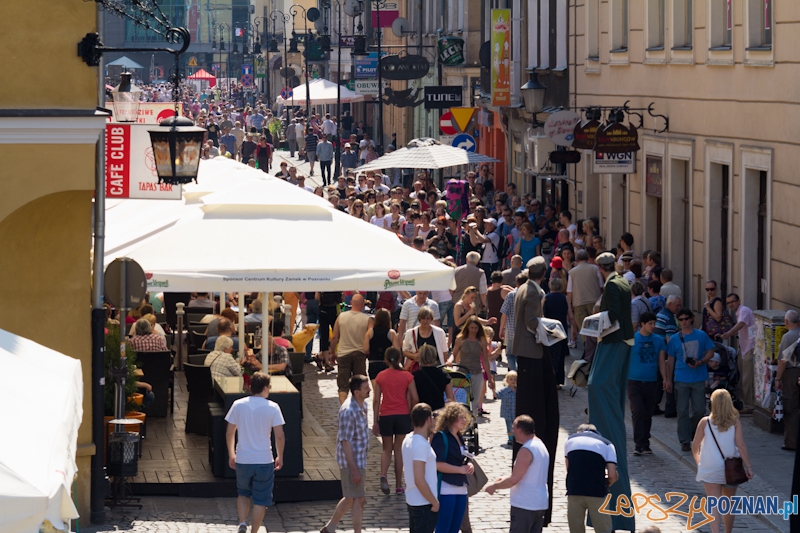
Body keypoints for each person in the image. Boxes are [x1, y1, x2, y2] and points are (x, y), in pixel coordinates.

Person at [587, 251, 634, 532]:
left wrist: (595, 322)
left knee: (597, 384)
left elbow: (613, 315)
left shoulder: (614, 285)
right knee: (598, 386)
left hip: (614, 340)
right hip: (621, 340)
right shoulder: (621, 280)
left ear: (598, 268)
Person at [511, 257, 559, 526]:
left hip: (528, 353)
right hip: (531, 351)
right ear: (546, 273)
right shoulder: (531, 291)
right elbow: (531, 320)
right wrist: (546, 331)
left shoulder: (525, 287)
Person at [225, 372, 285, 533]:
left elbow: (230, 432)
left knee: (243, 493)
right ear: (265, 388)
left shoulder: (238, 404)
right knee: (261, 499)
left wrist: (232, 453)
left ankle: (243, 523)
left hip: (243, 458)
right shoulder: (273, 407)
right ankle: (254, 531)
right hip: (264, 459)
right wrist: (280, 456)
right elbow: (279, 436)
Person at [692, 389, 754, 533]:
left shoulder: (705, 422)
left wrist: (699, 462)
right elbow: (741, 445)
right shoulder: (735, 423)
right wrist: (749, 467)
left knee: (713, 504)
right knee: (728, 504)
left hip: (710, 466)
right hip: (731, 468)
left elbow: (695, 446)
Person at [322, 375, 371, 533]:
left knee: (351, 497)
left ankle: (330, 527)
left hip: (359, 459)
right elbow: (345, 441)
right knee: (359, 498)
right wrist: (354, 468)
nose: (370, 389)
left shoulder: (363, 406)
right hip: (352, 461)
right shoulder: (348, 411)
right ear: (357, 392)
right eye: (366, 388)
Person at [485, 415, 550, 533]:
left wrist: (494, 486)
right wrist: (503, 478)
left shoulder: (526, 450)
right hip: (538, 503)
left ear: (520, 430)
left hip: (525, 505)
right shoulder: (540, 445)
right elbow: (529, 474)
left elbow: (514, 480)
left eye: (513, 429)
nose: (512, 432)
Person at [667, 307, 716, 451]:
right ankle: (685, 440)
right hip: (681, 378)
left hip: (698, 378)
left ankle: (692, 430)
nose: (683, 322)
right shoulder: (675, 339)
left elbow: (711, 352)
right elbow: (670, 360)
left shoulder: (701, 335)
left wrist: (700, 362)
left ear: (691, 319)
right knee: (681, 410)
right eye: (680, 320)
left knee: (700, 410)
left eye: (686, 319)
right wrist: (668, 379)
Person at [373, 347, 419, 494]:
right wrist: (412, 414)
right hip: (402, 414)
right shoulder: (407, 376)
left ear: (386, 360)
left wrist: (375, 421)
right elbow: (415, 397)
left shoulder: (380, 376)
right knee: (398, 449)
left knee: (386, 449)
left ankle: (383, 474)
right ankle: (399, 485)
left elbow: (376, 400)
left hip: (386, 415)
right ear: (400, 359)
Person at [564, 424, 618, 533]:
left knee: (576, 529)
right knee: (603, 529)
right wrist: (608, 483)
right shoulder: (607, 444)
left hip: (574, 490)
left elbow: (568, 467)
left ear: (579, 432)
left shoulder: (569, 440)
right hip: (597, 491)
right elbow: (612, 474)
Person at [628, 311, 668, 455]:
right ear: (642, 324)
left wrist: (665, 378)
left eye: (654, 323)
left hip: (651, 381)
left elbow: (661, 361)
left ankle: (646, 442)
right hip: (634, 381)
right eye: (650, 323)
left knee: (647, 413)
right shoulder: (632, 338)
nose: (653, 326)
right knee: (637, 410)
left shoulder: (658, 340)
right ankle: (639, 443)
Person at [431, 403, 474, 533]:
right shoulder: (441, 436)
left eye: (465, 417)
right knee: (444, 528)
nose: (464, 420)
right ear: (451, 418)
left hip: (461, 488)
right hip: (446, 488)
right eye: (461, 417)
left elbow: (461, 458)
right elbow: (437, 464)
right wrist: (460, 470)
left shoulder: (459, 436)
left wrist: (469, 465)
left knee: (455, 528)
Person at [403, 403, 440, 533]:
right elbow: (419, 479)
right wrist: (434, 502)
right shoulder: (420, 445)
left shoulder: (408, 439)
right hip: (424, 503)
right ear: (428, 419)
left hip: (413, 500)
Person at [331, 294, 373, 404]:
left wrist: (332, 353)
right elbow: (371, 337)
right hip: (359, 353)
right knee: (360, 385)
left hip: (344, 353)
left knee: (343, 385)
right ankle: (359, 408)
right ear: (362, 305)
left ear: (351, 303)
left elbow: (334, 337)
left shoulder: (341, 317)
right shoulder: (367, 319)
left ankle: (344, 409)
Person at [450, 316, 492, 419]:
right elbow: (453, 353)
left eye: (476, 328)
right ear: (467, 327)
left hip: (477, 372)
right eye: (472, 327)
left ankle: (473, 421)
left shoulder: (481, 340)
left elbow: (486, 360)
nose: (474, 330)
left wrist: (490, 378)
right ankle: (461, 420)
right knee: (463, 399)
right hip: (463, 373)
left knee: (475, 400)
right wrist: (450, 360)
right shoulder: (460, 339)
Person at [719, 293, 755, 410]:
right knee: (742, 377)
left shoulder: (743, 310)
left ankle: (749, 405)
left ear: (738, 301)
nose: (731, 304)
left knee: (747, 378)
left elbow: (741, 324)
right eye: (728, 303)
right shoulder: (738, 312)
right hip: (744, 348)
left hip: (750, 348)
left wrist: (728, 333)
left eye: (732, 301)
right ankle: (746, 403)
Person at [567, 249, 604, 345]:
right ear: (587, 258)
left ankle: (587, 348)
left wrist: (569, 306)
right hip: (594, 302)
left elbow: (570, 291)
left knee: (585, 331)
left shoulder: (572, 272)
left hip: (578, 302)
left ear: (577, 259)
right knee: (595, 331)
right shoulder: (595, 268)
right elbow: (601, 285)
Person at [776, 310, 800, 451]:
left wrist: (778, 378)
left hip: (791, 373)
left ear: (786, 322)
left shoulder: (788, 336)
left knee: (791, 408)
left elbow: (783, 361)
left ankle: (791, 442)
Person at [543, 278, 569, 388]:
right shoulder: (565, 298)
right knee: (560, 355)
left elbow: (542, 313)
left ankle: (548, 379)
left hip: (549, 327)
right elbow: (570, 314)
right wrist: (574, 329)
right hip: (561, 327)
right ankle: (558, 381)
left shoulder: (546, 298)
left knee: (549, 355)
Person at [413, 344, 455, 411]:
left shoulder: (414, 376)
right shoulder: (444, 374)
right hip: (439, 411)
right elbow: (451, 398)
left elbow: (414, 399)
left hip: (422, 413)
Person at [363, 308, 400, 381]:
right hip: (387, 362)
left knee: (376, 390)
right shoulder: (391, 332)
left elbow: (365, 349)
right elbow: (397, 350)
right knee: (386, 389)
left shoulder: (370, 332)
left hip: (373, 362)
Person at [497, 371, 518, 446]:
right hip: (507, 412)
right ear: (507, 380)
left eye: (515, 379)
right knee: (509, 426)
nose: (513, 381)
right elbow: (497, 395)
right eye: (511, 379)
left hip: (516, 411)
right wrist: (493, 389)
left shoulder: (518, 391)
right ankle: (510, 439)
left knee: (517, 425)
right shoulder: (504, 391)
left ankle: (516, 437)